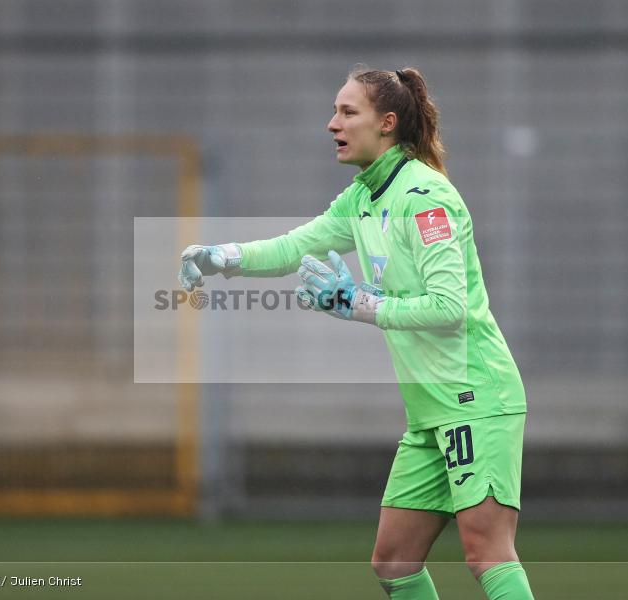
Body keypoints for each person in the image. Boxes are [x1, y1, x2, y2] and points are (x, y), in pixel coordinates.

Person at [179, 66, 534, 600]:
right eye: (334, 111)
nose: (332, 124)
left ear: (387, 123)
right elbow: (295, 246)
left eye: (347, 112)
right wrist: (221, 256)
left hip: (476, 397)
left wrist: (355, 302)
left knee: (485, 551)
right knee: (394, 561)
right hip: (430, 410)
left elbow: (448, 308)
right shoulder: (363, 196)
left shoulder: (424, 197)